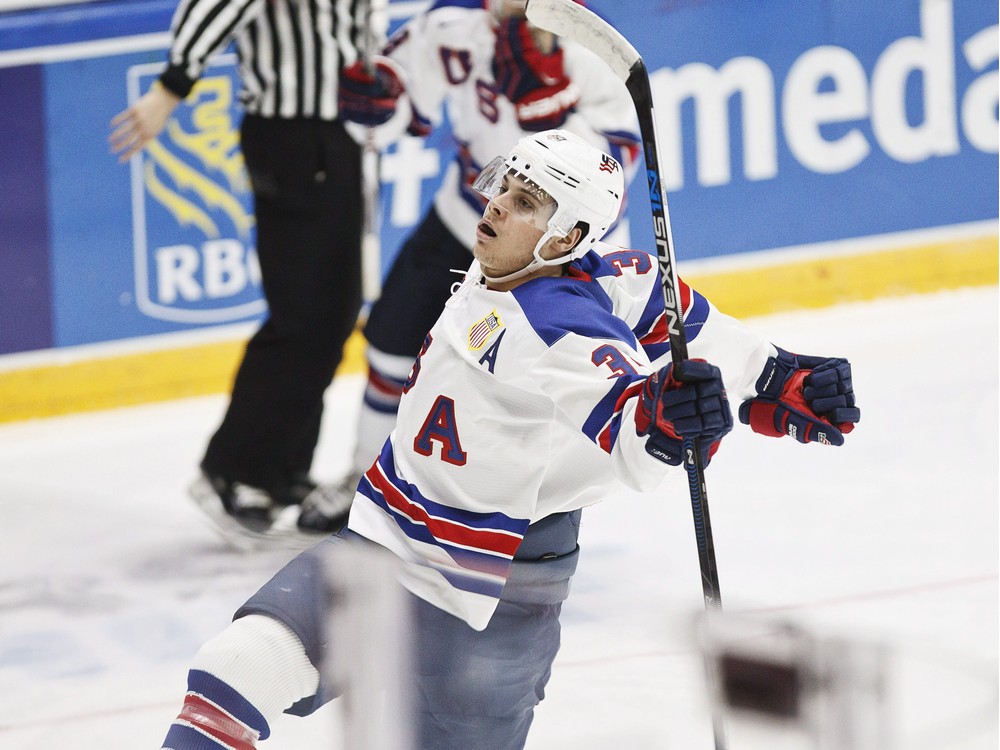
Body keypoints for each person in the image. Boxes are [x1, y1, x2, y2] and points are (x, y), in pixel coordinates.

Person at [157, 130, 861, 749]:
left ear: (564, 239)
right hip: (382, 542)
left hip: (491, 592)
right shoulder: (567, 270)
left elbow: (625, 424)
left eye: (527, 203)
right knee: (235, 667)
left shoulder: (554, 328)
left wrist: (662, 422)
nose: (496, 205)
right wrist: (774, 373)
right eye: (506, 186)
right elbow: (659, 299)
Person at [294, 0, 643, 532]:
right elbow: (399, 103)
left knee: (534, 384)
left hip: (559, 248)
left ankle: (522, 513)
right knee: (391, 343)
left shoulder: (593, 44)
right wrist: (376, 104)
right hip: (471, 216)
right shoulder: (450, 24)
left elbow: (620, 169)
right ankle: (365, 482)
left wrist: (549, 108)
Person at [109, 0, 385, 548]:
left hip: (334, 136)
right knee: (308, 313)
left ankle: (278, 471)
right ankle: (237, 471)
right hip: (298, 136)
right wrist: (172, 84)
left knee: (329, 313)